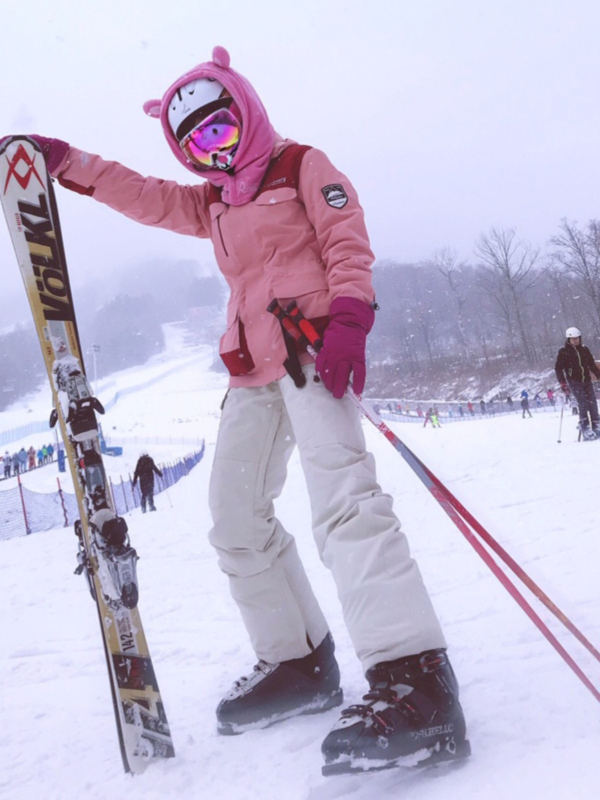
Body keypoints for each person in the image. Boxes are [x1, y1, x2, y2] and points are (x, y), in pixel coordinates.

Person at [15, 46, 469, 774]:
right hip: (252, 366)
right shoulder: (215, 200)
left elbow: (346, 240)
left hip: (309, 348)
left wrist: (350, 316)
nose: (213, 152)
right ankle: (299, 661)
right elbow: (145, 194)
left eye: (221, 131)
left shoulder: (301, 167)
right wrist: (69, 163)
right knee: (233, 515)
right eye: (195, 144)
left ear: (246, 112)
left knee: (345, 504)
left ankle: (415, 678)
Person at [555, 326, 600, 439]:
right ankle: (584, 425)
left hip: (587, 380)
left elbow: (591, 365)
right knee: (583, 403)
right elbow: (558, 368)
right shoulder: (564, 352)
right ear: (568, 339)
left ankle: (596, 424)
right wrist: (563, 383)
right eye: (573, 338)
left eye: (577, 338)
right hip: (574, 381)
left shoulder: (584, 350)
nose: (575, 340)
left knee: (593, 402)